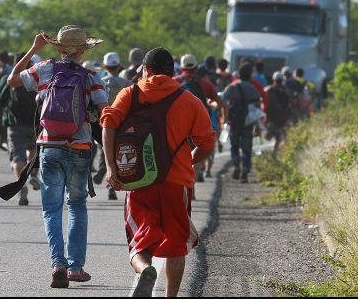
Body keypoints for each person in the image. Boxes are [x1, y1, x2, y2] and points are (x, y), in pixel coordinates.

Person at [101, 47, 215, 297]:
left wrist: (111, 167)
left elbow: (108, 124)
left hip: (139, 180)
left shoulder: (129, 94)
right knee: (176, 245)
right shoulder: (189, 101)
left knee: (140, 240)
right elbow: (207, 142)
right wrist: (191, 161)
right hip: (177, 183)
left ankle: (144, 270)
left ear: (146, 69)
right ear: (173, 72)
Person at [9, 26, 108, 288]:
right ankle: (76, 268)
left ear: (58, 48)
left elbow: (12, 80)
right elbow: (105, 113)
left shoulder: (44, 68)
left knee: (51, 209)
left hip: (49, 146)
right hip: (80, 147)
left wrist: (33, 49)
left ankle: (58, 264)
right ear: (84, 50)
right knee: (76, 206)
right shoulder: (91, 76)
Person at [0, 52, 40, 206]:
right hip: (34, 122)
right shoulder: (36, 78)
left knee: (16, 157)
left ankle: (21, 186)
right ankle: (32, 173)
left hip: (14, 124)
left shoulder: (8, 79)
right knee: (32, 149)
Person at [175, 54, 226, 183]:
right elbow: (220, 103)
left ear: (181, 68)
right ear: (196, 67)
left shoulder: (174, 82)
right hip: (199, 123)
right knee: (196, 152)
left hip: (177, 124)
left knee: (178, 152)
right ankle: (192, 184)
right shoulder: (205, 84)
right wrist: (222, 118)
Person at [92, 52, 132, 200]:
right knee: (121, 152)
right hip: (124, 124)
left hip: (106, 122)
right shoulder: (127, 84)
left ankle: (107, 175)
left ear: (105, 66)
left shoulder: (101, 82)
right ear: (118, 66)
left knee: (106, 150)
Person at [223, 63, 263, 183]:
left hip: (234, 119)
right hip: (248, 121)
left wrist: (224, 118)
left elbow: (223, 100)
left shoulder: (231, 87)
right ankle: (245, 171)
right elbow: (258, 105)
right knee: (247, 147)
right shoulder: (253, 88)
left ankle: (236, 163)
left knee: (234, 145)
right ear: (250, 75)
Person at [266, 72, 293, 157]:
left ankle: (273, 154)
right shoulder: (286, 91)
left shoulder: (268, 90)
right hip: (278, 117)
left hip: (274, 117)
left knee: (274, 136)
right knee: (275, 136)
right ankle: (273, 153)